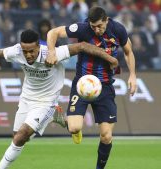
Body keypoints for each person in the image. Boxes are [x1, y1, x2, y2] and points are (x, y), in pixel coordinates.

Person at [0, 29, 118, 169]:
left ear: (39, 47)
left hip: (46, 101)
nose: (28, 55)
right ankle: (55, 117)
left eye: (31, 51)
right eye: (25, 51)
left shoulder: (51, 53)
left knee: (21, 135)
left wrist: (110, 59)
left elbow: (82, 46)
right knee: (17, 137)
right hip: (27, 98)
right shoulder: (17, 51)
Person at [45, 6, 137, 169]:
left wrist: (132, 75)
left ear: (106, 20)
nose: (96, 30)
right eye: (93, 26)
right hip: (82, 84)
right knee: (74, 128)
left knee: (106, 136)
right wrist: (51, 52)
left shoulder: (118, 30)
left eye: (100, 26)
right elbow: (54, 32)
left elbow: (128, 52)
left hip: (105, 86)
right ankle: (67, 123)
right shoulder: (82, 28)